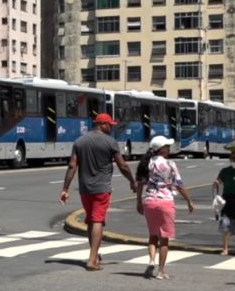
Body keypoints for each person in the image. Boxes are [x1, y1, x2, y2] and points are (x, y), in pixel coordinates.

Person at [59, 112, 136, 271]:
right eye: (110, 125)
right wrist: (132, 181)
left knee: (91, 220)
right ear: (102, 124)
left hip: (85, 189)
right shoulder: (110, 142)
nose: (111, 128)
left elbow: (72, 166)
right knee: (98, 221)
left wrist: (65, 189)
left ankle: (95, 254)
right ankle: (92, 260)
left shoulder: (80, 141)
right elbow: (122, 165)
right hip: (101, 188)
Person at [136, 135, 194, 280]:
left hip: (149, 201)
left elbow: (140, 184)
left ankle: (151, 260)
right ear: (162, 149)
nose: (169, 148)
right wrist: (189, 200)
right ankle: (161, 271)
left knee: (152, 235)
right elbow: (179, 185)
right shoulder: (170, 164)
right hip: (165, 202)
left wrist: (138, 201)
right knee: (164, 238)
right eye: (167, 146)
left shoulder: (146, 163)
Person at [212, 149, 235, 256]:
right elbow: (218, 181)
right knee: (226, 224)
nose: (233, 160)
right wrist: (216, 183)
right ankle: (225, 248)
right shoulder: (225, 171)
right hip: (228, 199)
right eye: (232, 158)